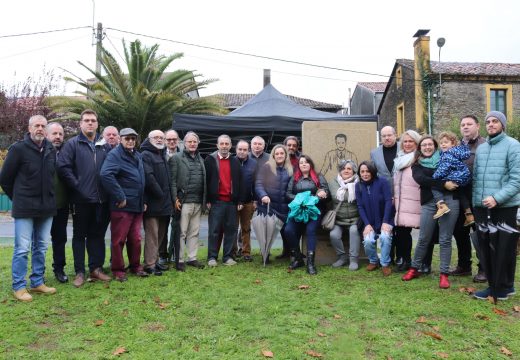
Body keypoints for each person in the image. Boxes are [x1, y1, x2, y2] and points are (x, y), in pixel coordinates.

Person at [0, 115, 57, 302]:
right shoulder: (18, 149)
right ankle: (18, 286)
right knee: (22, 249)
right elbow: (5, 178)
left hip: (46, 207)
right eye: (36, 125)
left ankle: (37, 282)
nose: (40, 128)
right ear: (29, 127)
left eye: (43, 126)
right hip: (25, 207)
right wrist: (17, 198)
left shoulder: (50, 149)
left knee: (41, 246)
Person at [57, 109, 111, 287]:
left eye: (93, 120)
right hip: (81, 200)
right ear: (80, 124)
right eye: (86, 120)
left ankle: (96, 269)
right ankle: (80, 272)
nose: (90, 123)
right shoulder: (72, 144)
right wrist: (78, 186)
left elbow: (111, 170)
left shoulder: (104, 145)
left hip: (102, 200)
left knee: (97, 235)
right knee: (80, 236)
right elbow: (63, 167)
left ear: (97, 124)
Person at [472, 111, 520, 300]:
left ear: (503, 125)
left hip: (504, 206)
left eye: (495, 121)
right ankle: (503, 286)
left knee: (504, 247)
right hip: (483, 207)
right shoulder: (482, 148)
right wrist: (476, 204)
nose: (491, 124)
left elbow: (517, 180)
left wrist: (497, 198)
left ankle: (501, 288)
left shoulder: (513, 145)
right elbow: (476, 178)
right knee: (488, 247)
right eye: (488, 122)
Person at [402, 135, 460, 289]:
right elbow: (422, 180)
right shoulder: (417, 164)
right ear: (420, 148)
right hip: (429, 203)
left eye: (430, 144)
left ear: (435, 146)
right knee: (423, 238)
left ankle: (444, 274)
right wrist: (444, 184)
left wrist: (447, 184)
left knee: (445, 239)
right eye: (424, 145)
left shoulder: (446, 158)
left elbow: (455, 177)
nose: (427, 147)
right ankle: (414, 268)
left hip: (450, 201)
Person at [100, 128, 148, 282]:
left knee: (136, 239)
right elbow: (105, 175)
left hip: (137, 205)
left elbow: (141, 180)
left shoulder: (137, 155)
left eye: (133, 138)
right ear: (120, 139)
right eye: (127, 138)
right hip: (122, 206)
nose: (131, 141)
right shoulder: (115, 155)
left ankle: (135, 266)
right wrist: (120, 196)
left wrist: (144, 200)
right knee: (119, 239)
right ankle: (118, 270)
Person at [450, 115, 486, 281]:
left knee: (480, 233)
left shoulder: (485, 145)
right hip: (459, 196)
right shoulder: (457, 147)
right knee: (460, 232)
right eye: (463, 124)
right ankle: (464, 265)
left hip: (479, 196)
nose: (465, 127)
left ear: (477, 126)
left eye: (469, 124)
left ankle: (484, 268)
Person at [285, 155, 329, 275]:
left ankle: (310, 263)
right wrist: (302, 199)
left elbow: (326, 192)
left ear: (310, 164)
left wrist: (320, 195)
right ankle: (298, 258)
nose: (303, 164)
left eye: (306, 162)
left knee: (310, 230)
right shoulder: (294, 178)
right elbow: (288, 194)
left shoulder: (318, 177)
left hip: (314, 210)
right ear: (298, 166)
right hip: (297, 210)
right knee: (288, 230)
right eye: (301, 163)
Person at [169, 131, 206, 271]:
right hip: (183, 202)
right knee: (181, 232)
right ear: (184, 143)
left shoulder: (201, 159)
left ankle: (192, 258)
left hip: (198, 201)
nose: (192, 144)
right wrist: (175, 199)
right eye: (189, 141)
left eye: (194, 142)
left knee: (194, 232)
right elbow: (172, 181)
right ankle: (179, 260)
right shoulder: (176, 158)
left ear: (197, 143)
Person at [205, 134, 243, 267]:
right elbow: (206, 181)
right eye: (222, 144)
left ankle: (227, 257)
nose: (224, 146)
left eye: (227, 144)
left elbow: (240, 182)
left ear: (230, 146)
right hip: (216, 202)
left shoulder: (235, 161)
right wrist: (208, 199)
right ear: (217, 145)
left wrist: (239, 201)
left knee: (231, 231)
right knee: (214, 230)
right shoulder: (210, 160)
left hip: (231, 202)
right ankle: (212, 257)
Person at [141, 130, 173, 276]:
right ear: (149, 139)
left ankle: (155, 261)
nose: (159, 140)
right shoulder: (146, 154)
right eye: (156, 137)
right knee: (152, 235)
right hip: (153, 202)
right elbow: (149, 177)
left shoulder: (161, 154)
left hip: (165, 203)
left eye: (162, 137)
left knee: (160, 234)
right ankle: (149, 264)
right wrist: (159, 193)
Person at [355, 161, 394, 276]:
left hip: (385, 220)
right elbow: (360, 206)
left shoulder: (382, 182)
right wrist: (366, 224)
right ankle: (373, 261)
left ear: (373, 172)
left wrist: (386, 222)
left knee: (385, 237)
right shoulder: (359, 186)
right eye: (362, 171)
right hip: (369, 222)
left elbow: (388, 201)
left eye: (368, 171)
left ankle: (385, 263)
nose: (365, 174)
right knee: (367, 240)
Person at [255, 144, 293, 262]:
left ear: (285, 155)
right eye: (277, 154)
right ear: (273, 155)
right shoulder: (267, 167)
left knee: (286, 231)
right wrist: (263, 195)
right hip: (269, 206)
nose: (279, 155)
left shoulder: (291, 169)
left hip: (285, 207)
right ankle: (265, 255)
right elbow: (259, 183)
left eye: (282, 153)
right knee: (267, 232)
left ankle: (287, 253)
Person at [392, 129, 421, 272]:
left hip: (413, 200)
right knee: (400, 231)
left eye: (411, 141)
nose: (408, 144)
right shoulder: (399, 158)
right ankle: (402, 259)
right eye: (405, 141)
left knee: (406, 232)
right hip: (399, 200)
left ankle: (409, 261)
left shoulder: (418, 158)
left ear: (417, 143)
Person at [432, 131, 473, 225]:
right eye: (441, 143)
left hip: (456, 176)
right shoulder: (457, 151)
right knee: (461, 193)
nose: (443, 145)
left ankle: (441, 205)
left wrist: (435, 177)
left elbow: (444, 168)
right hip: (463, 176)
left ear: (453, 143)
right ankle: (469, 214)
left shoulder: (448, 154)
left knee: (434, 186)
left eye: (446, 142)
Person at [46, 122, 70, 283]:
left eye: (60, 134)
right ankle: (37, 272)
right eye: (54, 133)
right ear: (47, 135)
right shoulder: (39, 153)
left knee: (60, 239)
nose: (58, 137)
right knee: (38, 242)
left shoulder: (67, 153)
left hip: (61, 206)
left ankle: (59, 269)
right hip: (42, 206)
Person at [328, 160, 361, 270]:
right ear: (340, 170)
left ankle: (353, 259)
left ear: (354, 171)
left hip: (355, 218)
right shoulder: (333, 183)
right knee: (334, 235)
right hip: (339, 219)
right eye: (343, 168)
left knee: (353, 231)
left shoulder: (359, 182)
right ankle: (342, 257)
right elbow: (333, 195)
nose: (346, 171)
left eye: (349, 169)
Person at [235, 140, 257, 261]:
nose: (242, 152)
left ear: (248, 150)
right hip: (233, 202)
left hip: (248, 201)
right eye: (240, 149)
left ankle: (246, 252)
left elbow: (255, 182)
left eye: (245, 150)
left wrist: (255, 200)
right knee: (232, 228)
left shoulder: (253, 163)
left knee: (246, 228)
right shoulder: (231, 161)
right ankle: (232, 252)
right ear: (236, 150)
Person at [163, 129, 181, 266]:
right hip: (162, 196)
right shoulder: (159, 154)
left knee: (177, 226)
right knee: (162, 227)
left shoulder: (183, 155)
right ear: (165, 141)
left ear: (178, 140)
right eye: (169, 139)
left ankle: (175, 253)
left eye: (174, 139)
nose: (171, 142)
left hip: (178, 196)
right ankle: (162, 255)